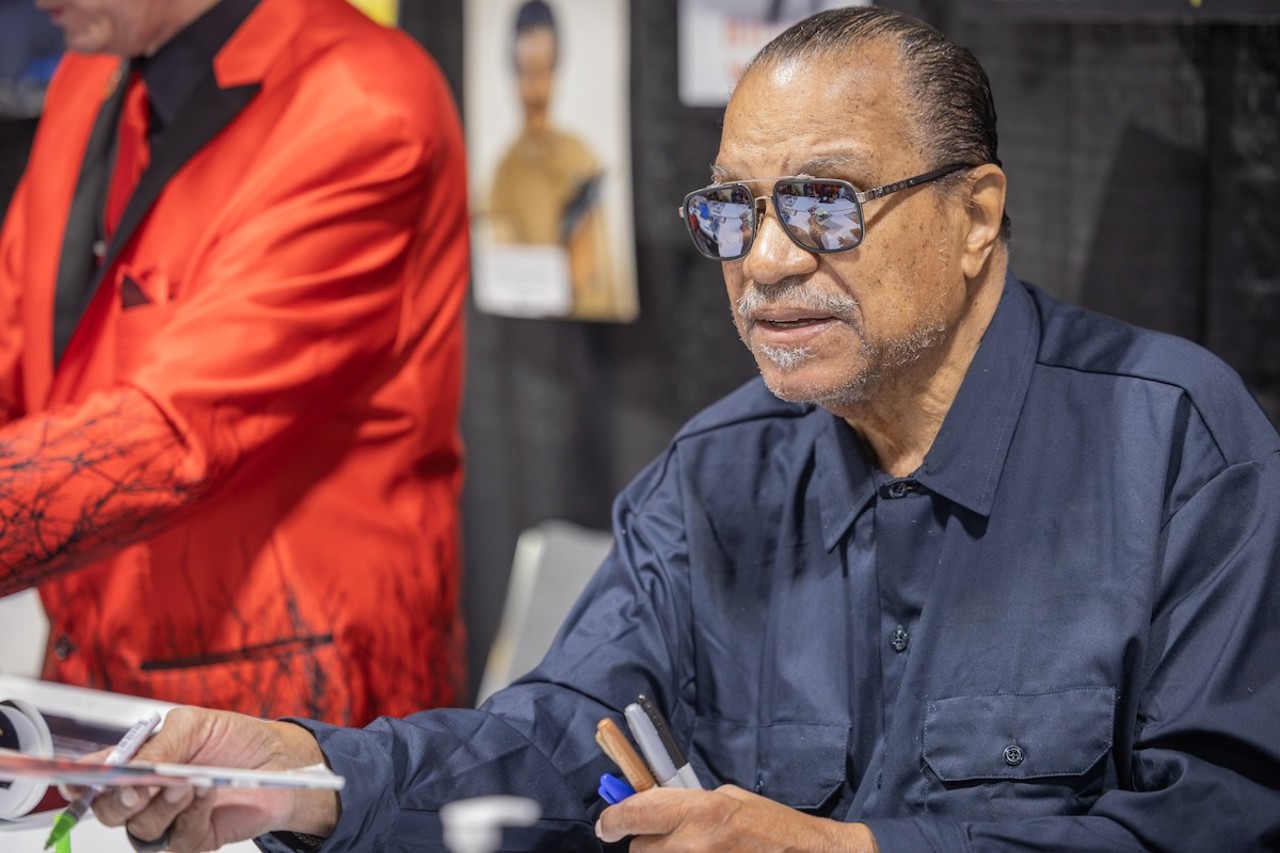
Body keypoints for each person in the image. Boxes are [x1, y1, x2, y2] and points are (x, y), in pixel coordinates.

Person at [88, 6, 1280, 852]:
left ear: (974, 215)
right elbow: (562, 739)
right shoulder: (712, 477)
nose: (762, 262)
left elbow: (1219, 817)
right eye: (732, 211)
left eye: (822, 203)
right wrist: (299, 775)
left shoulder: (1177, 448)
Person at [0, 0, 469, 726]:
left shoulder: (363, 100)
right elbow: (14, 334)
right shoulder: (88, 74)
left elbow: (180, 432)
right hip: (87, 696)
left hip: (297, 736)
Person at [485, 0, 635, 322]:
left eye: (544, 71)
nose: (536, 89)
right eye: (527, 72)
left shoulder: (578, 156)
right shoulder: (504, 171)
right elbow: (500, 268)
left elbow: (597, 274)